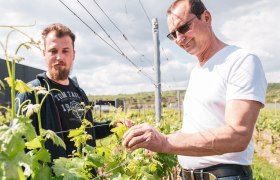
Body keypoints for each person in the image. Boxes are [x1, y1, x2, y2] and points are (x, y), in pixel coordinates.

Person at [122, 0, 267, 179]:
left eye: (183, 28)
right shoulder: (197, 71)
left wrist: (165, 142)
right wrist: (152, 139)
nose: (179, 39)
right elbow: (195, 131)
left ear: (206, 17)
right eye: (173, 35)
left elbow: (237, 136)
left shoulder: (241, 61)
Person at [16, 23, 112, 160]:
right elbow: (19, 147)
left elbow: (89, 130)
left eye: (65, 51)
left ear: (73, 54)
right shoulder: (30, 94)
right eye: (53, 51)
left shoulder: (80, 93)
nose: (59, 57)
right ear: (44, 53)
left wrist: (112, 125)